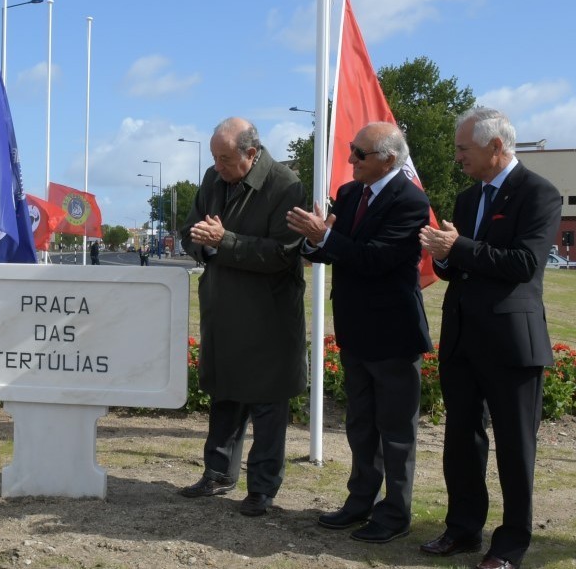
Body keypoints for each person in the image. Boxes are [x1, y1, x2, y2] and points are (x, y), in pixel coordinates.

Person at [418, 107, 562, 569]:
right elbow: (460, 266)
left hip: (511, 342)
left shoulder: (539, 193)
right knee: (461, 441)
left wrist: (458, 247)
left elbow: (523, 264)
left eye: (464, 149)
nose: (458, 156)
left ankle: (510, 544)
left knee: (515, 448)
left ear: (496, 147)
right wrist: (443, 256)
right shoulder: (468, 198)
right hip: (462, 337)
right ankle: (462, 529)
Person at [288, 122, 432, 543]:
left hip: (394, 333)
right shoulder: (351, 193)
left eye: (359, 153)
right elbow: (332, 250)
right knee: (361, 424)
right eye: (352, 149)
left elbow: (374, 259)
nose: (350, 158)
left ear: (389, 159)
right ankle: (360, 501)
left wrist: (327, 236)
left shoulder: (410, 201)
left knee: (396, 430)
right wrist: (315, 239)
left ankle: (395, 513)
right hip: (354, 329)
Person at [174, 117, 305, 517]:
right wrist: (206, 245)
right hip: (223, 308)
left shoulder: (285, 185)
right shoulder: (213, 179)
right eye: (214, 157)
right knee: (225, 396)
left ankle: (262, 488)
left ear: (251, 153)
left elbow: (283, 253)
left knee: (267, 406)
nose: (217, 166)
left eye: (225, 159)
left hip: (268, 316)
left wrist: (224, 241)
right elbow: (189, 231)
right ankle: (217, 473)